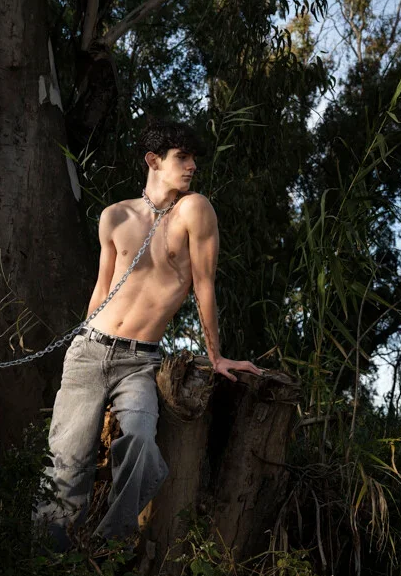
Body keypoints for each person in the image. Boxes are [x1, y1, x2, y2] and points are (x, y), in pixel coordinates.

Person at [33, 120, 263, 551]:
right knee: (65, 469)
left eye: (194, 158)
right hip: (88, 351)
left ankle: (110, 544)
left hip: (139, 361)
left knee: (140, 439)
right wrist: (80, 343)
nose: (192, 166)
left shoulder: (194, 210)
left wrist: (217, 357)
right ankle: (46, 566)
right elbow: (102, 290)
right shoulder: (115, 216)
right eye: (183, 158)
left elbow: (204, 286)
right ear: (153, 161)